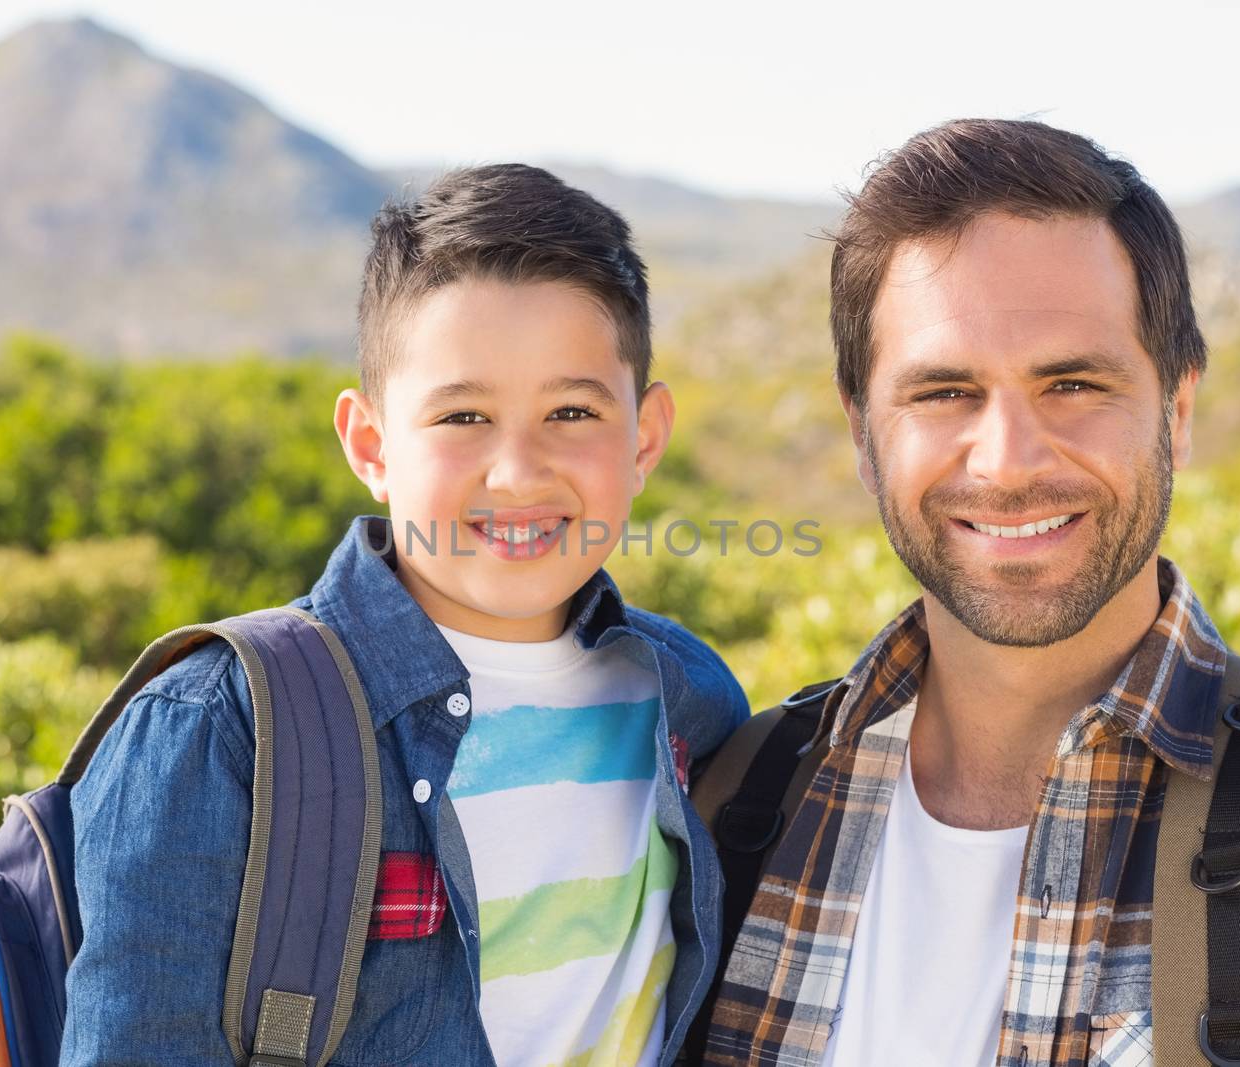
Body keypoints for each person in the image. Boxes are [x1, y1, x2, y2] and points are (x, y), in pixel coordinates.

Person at [698, 120, 1240, 1065]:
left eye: (1072, 382)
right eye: (943, 393)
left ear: (1177, 414)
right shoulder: (732, 800)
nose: (1009, 461)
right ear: (863, 436)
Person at [61, 164, 750, 1066]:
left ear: (645, 438)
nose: (518, 471)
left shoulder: (689, 697)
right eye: (463, 415)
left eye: (572, 410)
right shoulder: (215, 732)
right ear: (371, 445)